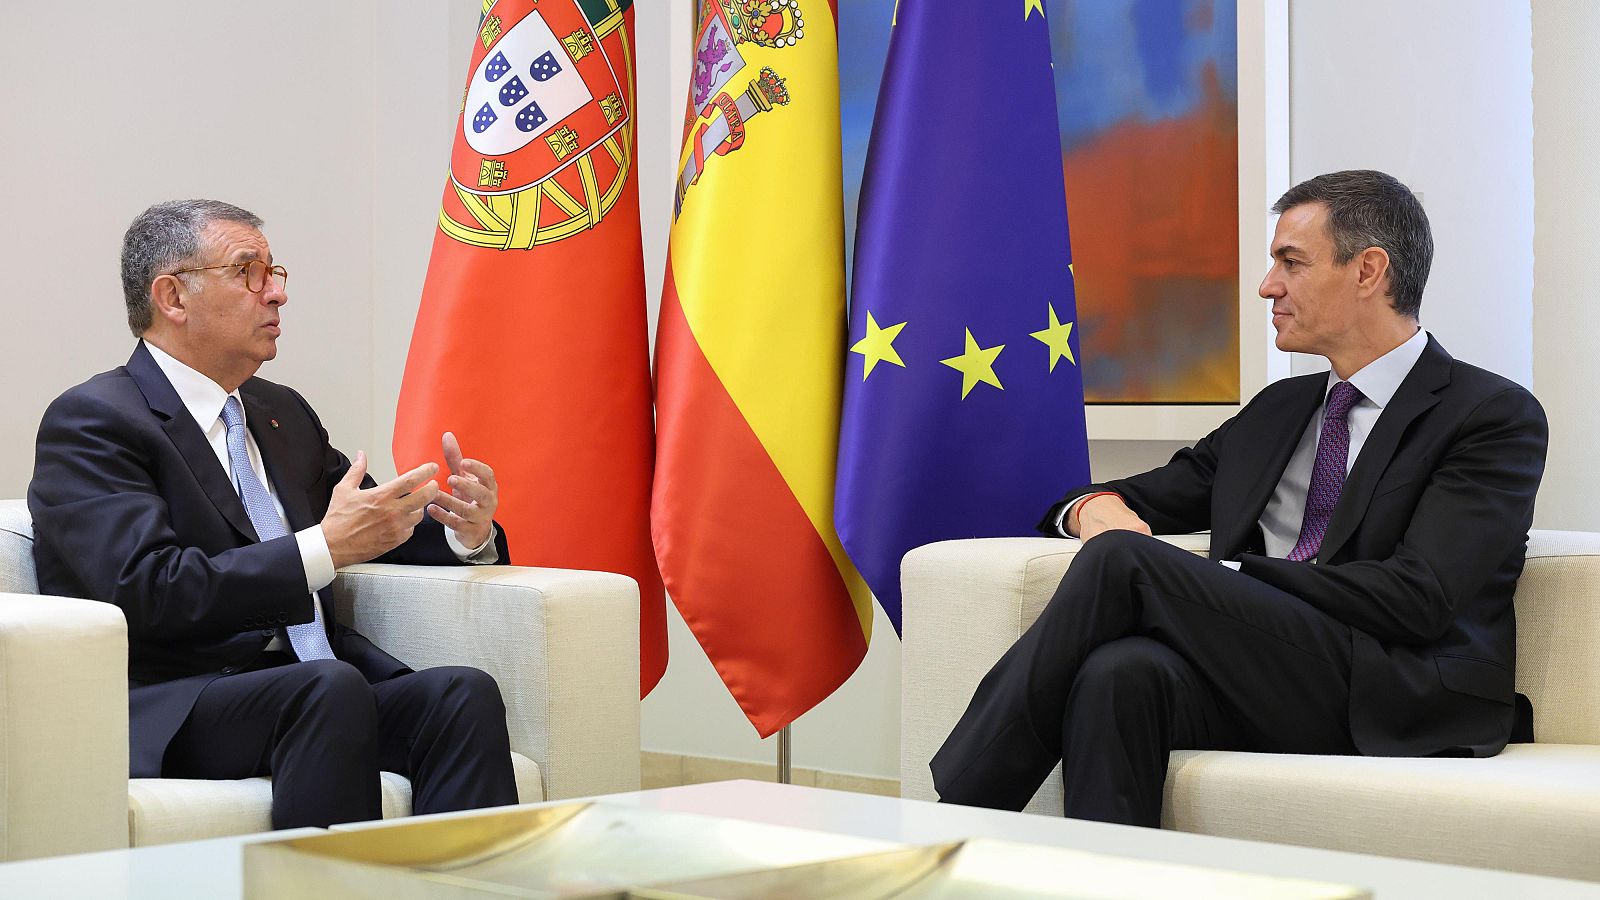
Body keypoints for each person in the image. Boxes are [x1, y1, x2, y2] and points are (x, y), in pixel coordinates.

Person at [930, 170, 1548, 826]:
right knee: (1119, 672)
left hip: (1394, 686)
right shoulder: (1279, 411)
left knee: (1122, 563)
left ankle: (956, 816)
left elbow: (1419, 599)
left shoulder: (1488, 416)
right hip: (1268, 673)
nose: (1267, 286)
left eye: (1291, 262)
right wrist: (1090, 508)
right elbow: (1144, 494)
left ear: (1368, 271)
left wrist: (1227, 578)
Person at [28, 200, 520, 829]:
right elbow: (147, 589)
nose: (278, 294)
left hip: (304, 687)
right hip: (181, 696)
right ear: (173, 296)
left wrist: (465, 533)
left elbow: (367, 521)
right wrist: (324, 548)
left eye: (275, 271)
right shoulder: (94, 421)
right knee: (331, 688)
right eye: (249, 271)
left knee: (460, 694)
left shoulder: (280, 411)